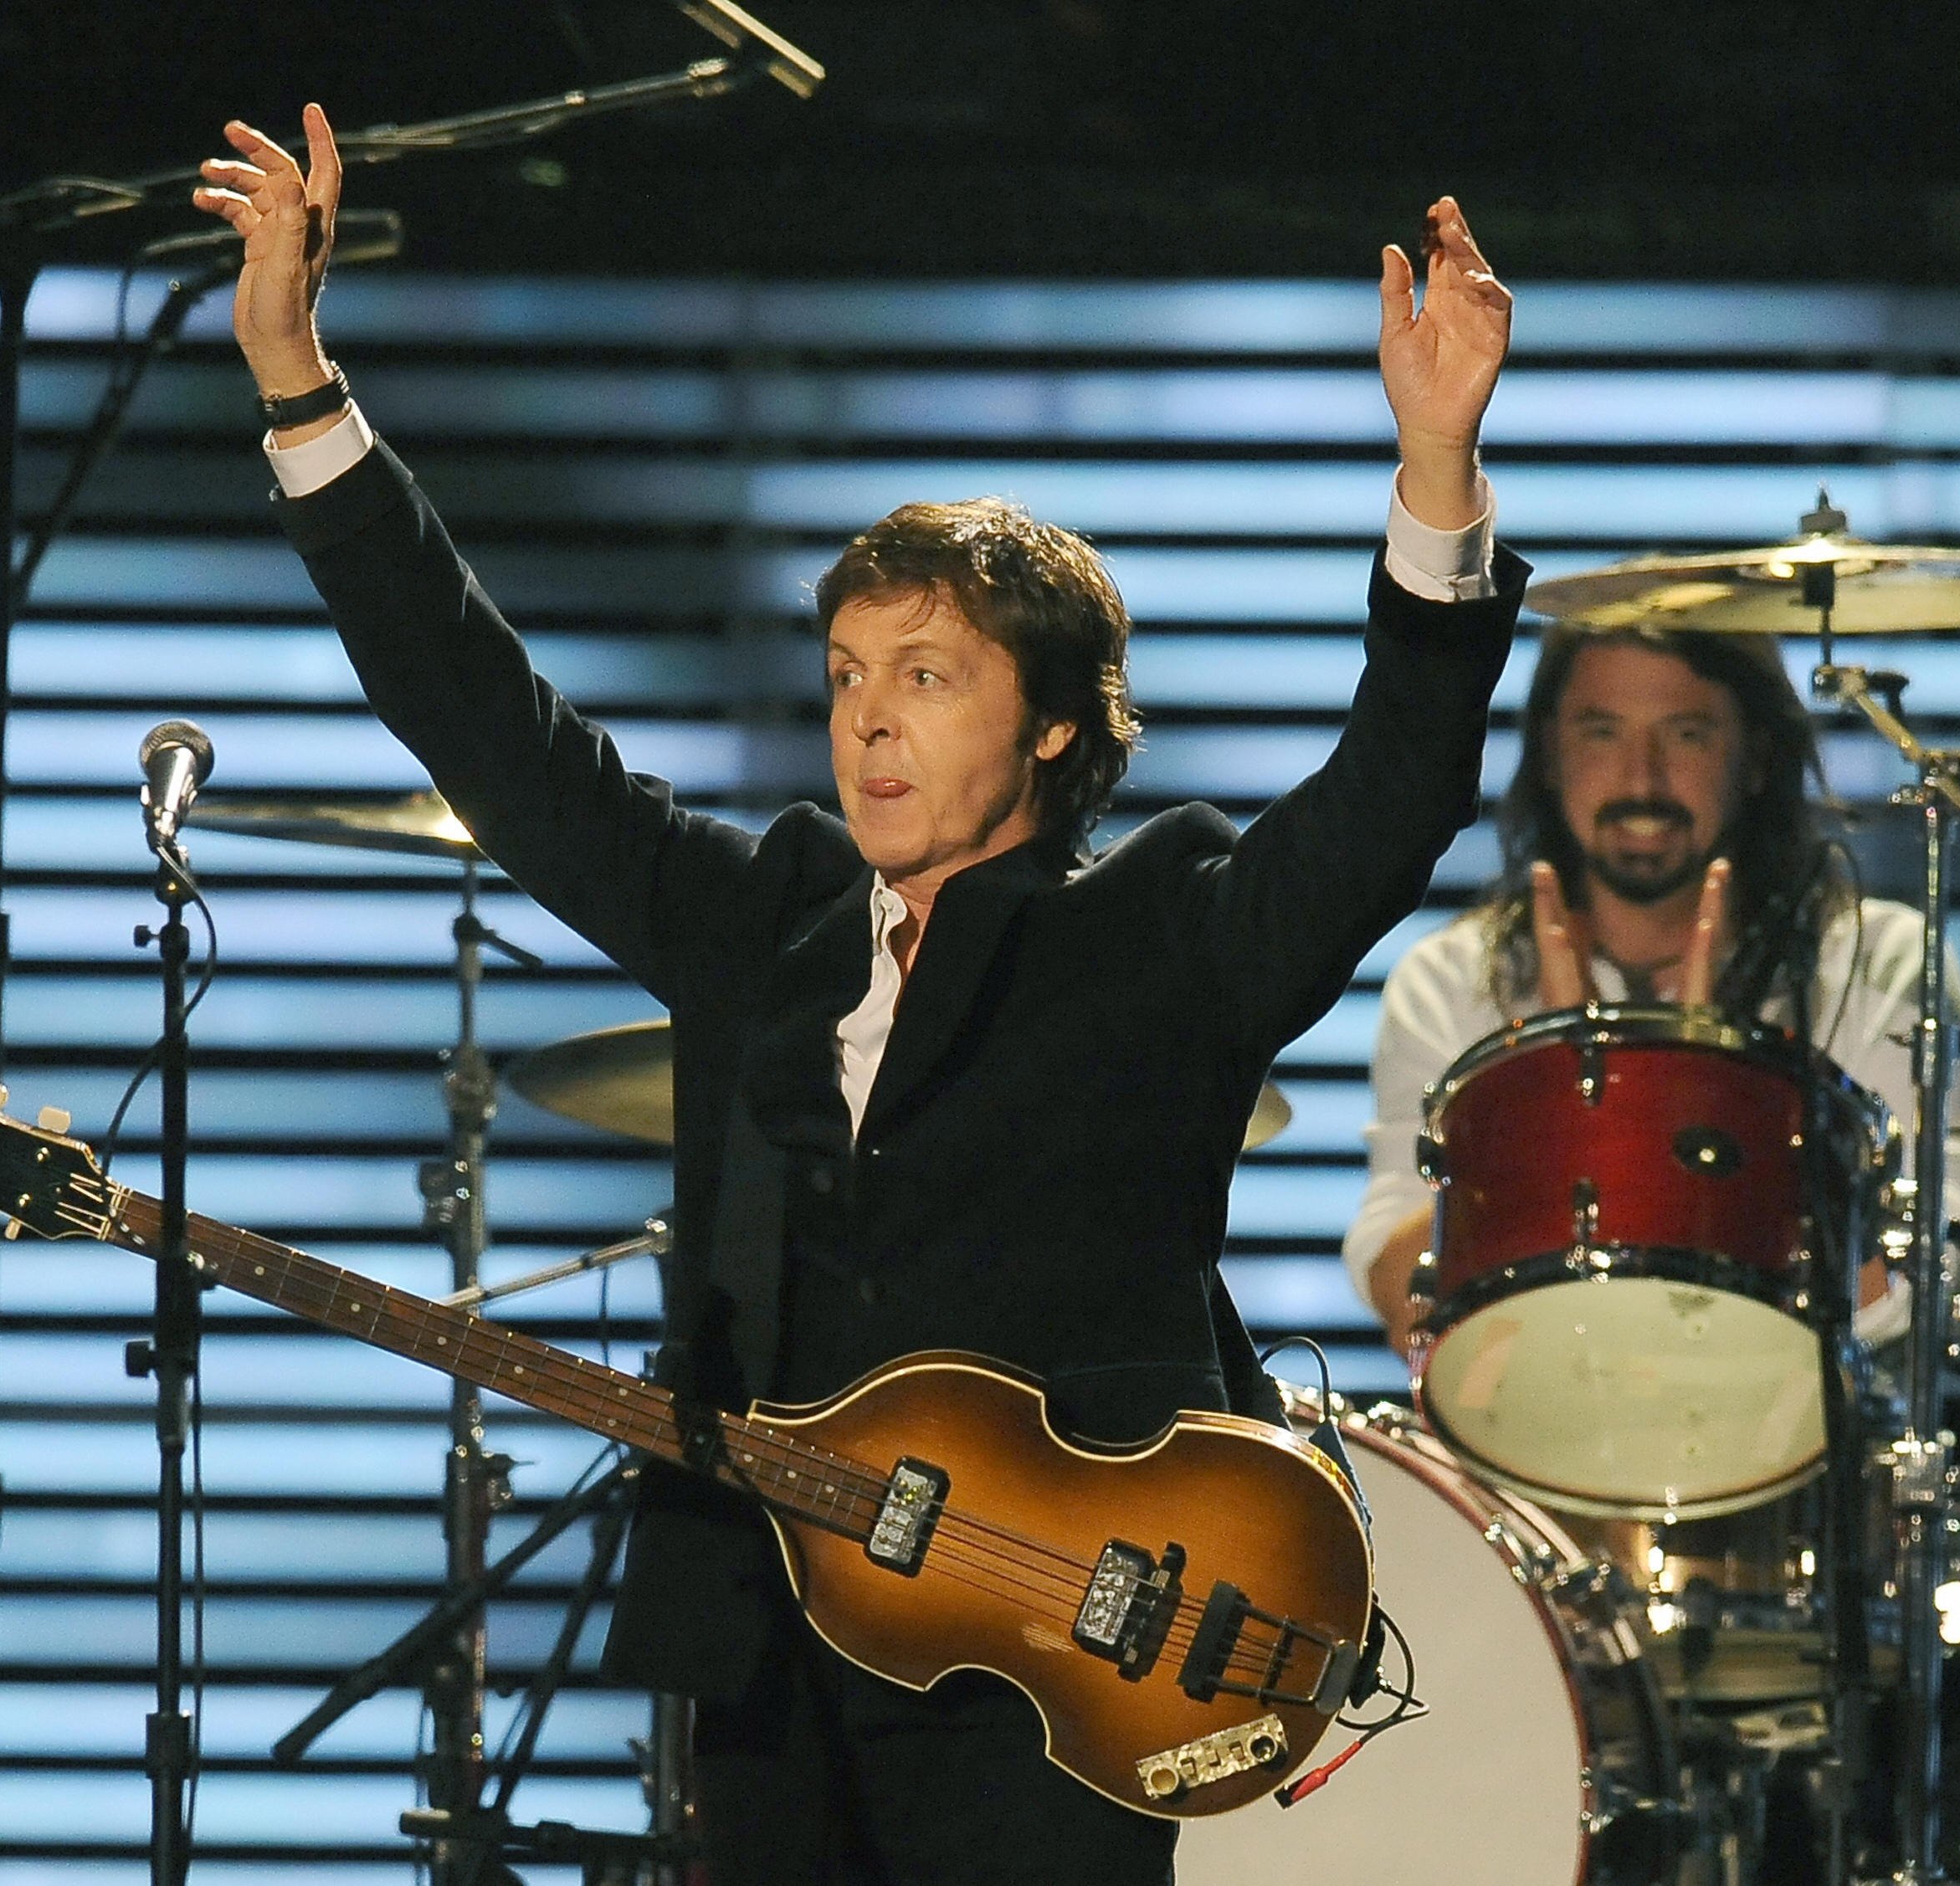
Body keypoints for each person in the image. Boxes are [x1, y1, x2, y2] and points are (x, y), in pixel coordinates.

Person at [193, 106, 1526, 1885]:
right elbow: (498, 737)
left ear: (1051, 721)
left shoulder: (1158, 928)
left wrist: (1433, 471)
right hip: (769, 1636)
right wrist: (297, 381)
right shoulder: (768, 918)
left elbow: (1391, 791)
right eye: (843, 675)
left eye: (926, 672)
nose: (868, 715)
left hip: (1066, 1656)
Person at [1340, 617, 1960, 1867]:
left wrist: (1693, 1163)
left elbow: (1934, 1236)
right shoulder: (1454, 978)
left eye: (1685, 732)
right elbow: (1390, 1254)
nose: (1640, 775)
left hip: (1814, 1492)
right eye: (1600, 729)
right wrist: (1568, 1109)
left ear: (1752, 756)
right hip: (1541, 1516)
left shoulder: (1877, 962)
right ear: (1543, 753)